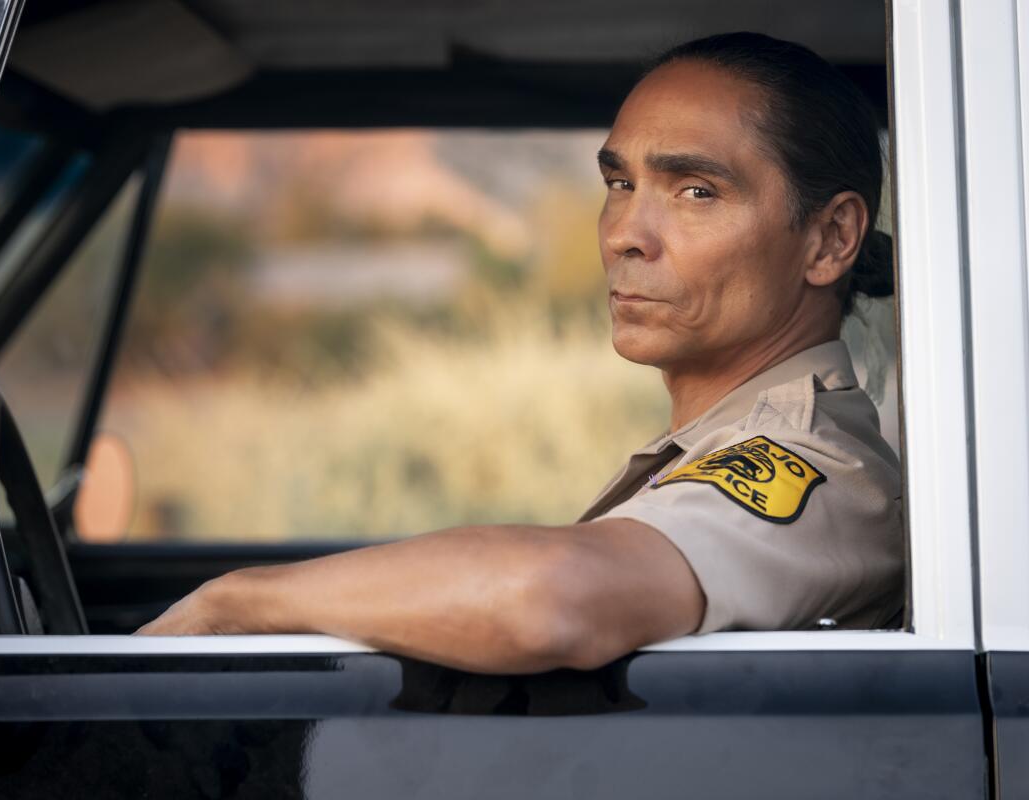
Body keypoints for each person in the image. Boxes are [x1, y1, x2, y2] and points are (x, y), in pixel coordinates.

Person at [136, 31, 903, 672]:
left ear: (830, 238)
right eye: (619, 181)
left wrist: (238, 603)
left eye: (696, 191)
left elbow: (550, 599)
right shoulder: (719, 443)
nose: (622, 234)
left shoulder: (817, 469)